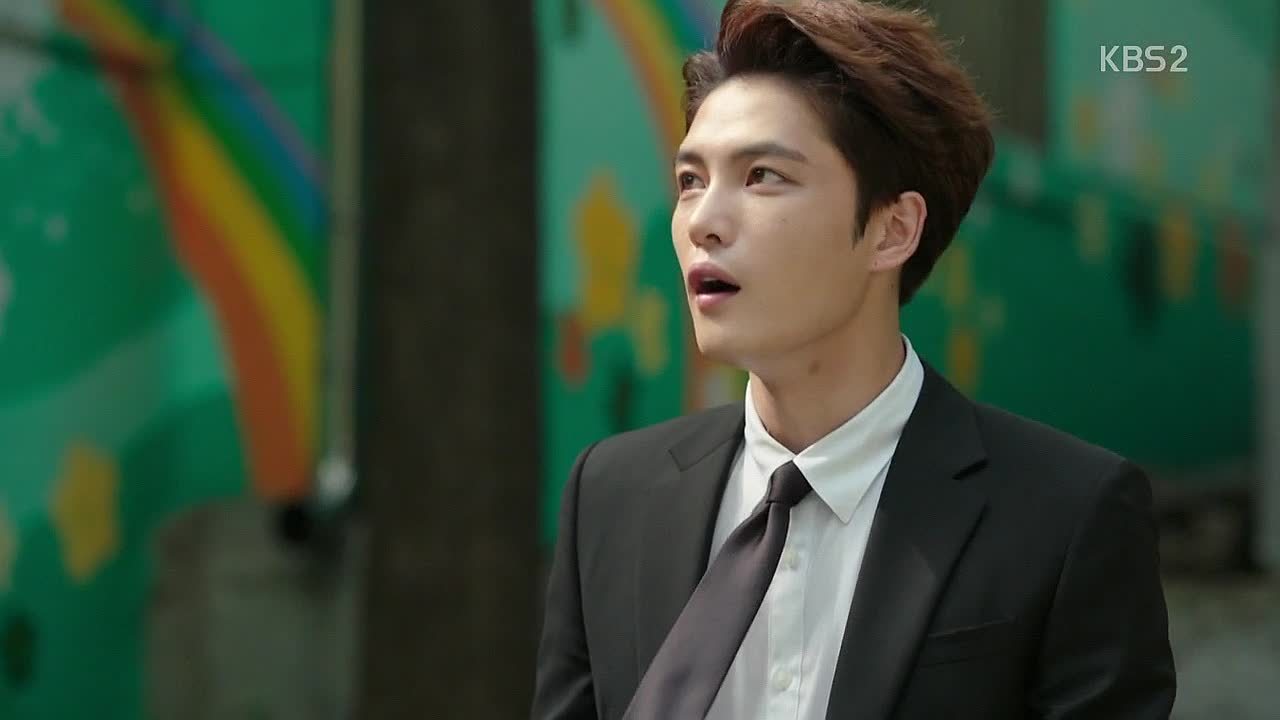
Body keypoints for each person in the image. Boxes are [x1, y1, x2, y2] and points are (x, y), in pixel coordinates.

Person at [531, 1, 1176, 718]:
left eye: (762, 175)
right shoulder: (611, 495)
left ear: (892, 230)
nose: (703, 221)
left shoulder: (1067, 515)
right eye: (691, 180)